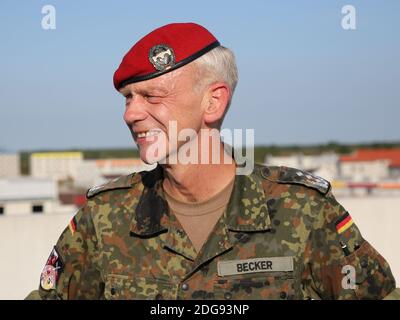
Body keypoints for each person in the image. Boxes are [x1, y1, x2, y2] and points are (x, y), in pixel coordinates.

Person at [26, 22, 397, 300]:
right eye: (128, 98)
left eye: (152, 96)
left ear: (213, 102)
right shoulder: (104, 218)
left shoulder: (302, 211)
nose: (131, 114)